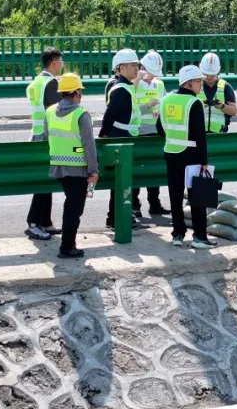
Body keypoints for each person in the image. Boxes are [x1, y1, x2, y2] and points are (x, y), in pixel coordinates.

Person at [161, 65, 216, 250]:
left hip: (170, 152)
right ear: (189, 83)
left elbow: (160, 128)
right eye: (199, 81)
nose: (201, 85)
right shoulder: (194, 103)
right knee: (197, 196)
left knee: (175, 196)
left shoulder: (165, 100)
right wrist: (204, 161)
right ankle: (199, 236)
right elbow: (200, 136)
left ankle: (177, 234)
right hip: (191, 153)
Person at [46, 74, 98, 259]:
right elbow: (89, 146)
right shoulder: (81, 114)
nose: (81, 95)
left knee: (72, 207)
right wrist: (93, 171)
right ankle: (67, 247)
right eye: (80, 91)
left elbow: (47, 135)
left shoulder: (50, 111)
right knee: (73, 210)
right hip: (78, 169)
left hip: (58, 167)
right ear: (76, 92)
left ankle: (68, 244)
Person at [100, 48, 147, 231]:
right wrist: (104, 134)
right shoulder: (120, 89)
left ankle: (114, 218)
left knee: (120, 183)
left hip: (124, 138)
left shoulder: (126, 87)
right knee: (120, 182)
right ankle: (116, 219)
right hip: (120, 139)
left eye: (136, 65)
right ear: (121, 68)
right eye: (132, 65)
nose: (136, 68)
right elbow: (109, 115)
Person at [25, 47, 64, 241]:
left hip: (37, 134)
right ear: (54, 62)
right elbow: (59, 110)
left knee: (47, 179)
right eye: (61, 61)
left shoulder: (36, 82)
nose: (63, 65)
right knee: (43, 181)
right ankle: (34, 222)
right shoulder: (51, 83)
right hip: (46, 138)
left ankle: (46, 222)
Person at [133, 51, 169, 218]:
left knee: (154, 168)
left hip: (156, 131)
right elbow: (130, 109)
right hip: (139, 132)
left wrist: (159, 111)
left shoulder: (159, 84)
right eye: (151, 72)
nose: (153, 76)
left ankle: (155, 204)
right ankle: (135, 205)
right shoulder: (135, 84)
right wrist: (147, 106)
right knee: (137, 170)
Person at [198, 52, 237, 134]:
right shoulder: (195, 85)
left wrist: (222, 106)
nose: (209, 77)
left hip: (219, 135)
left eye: (212, 75)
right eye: (206, 75)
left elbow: (234, 111)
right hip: (198, 134)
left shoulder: (225, 87)